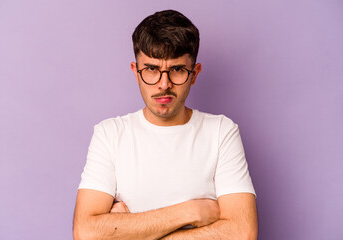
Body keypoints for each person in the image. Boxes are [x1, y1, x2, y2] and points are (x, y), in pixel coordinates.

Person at [73, 9, 258, 240]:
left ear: (194, 73)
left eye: (177, 70)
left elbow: (242, 233)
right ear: (136, 72)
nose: (164, 84)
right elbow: (85, 233)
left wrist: (127, 230)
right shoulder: (110, 134)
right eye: (151, 69)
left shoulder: (221, 132)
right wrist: (190, 212)